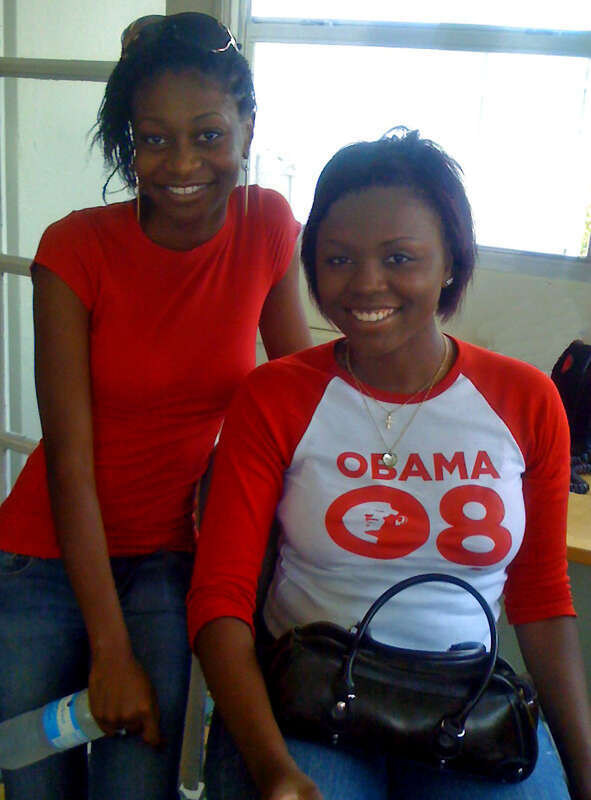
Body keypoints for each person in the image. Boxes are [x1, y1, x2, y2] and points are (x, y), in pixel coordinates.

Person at [188, 128, 591, 800]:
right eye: (338, 259)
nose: (366, 284)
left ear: (449, 265)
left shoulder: (524, 399)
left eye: (400, 257)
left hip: (464, 703)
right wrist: (271, 768)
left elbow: (542, 599)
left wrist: (583, 773)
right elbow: (219, 596)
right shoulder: (276, 395)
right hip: (309, 698)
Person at [0, 12, 311, 800]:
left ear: (247, 127)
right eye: (153, 139)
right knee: (32, 782)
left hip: (174, 555)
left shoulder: (267, 225)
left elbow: (296, 399)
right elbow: (69, 458)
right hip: (43, 554)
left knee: (136, 787)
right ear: (126, 141)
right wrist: (109, 650)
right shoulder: (74, 249)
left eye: (207, 135)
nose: (181, 163)